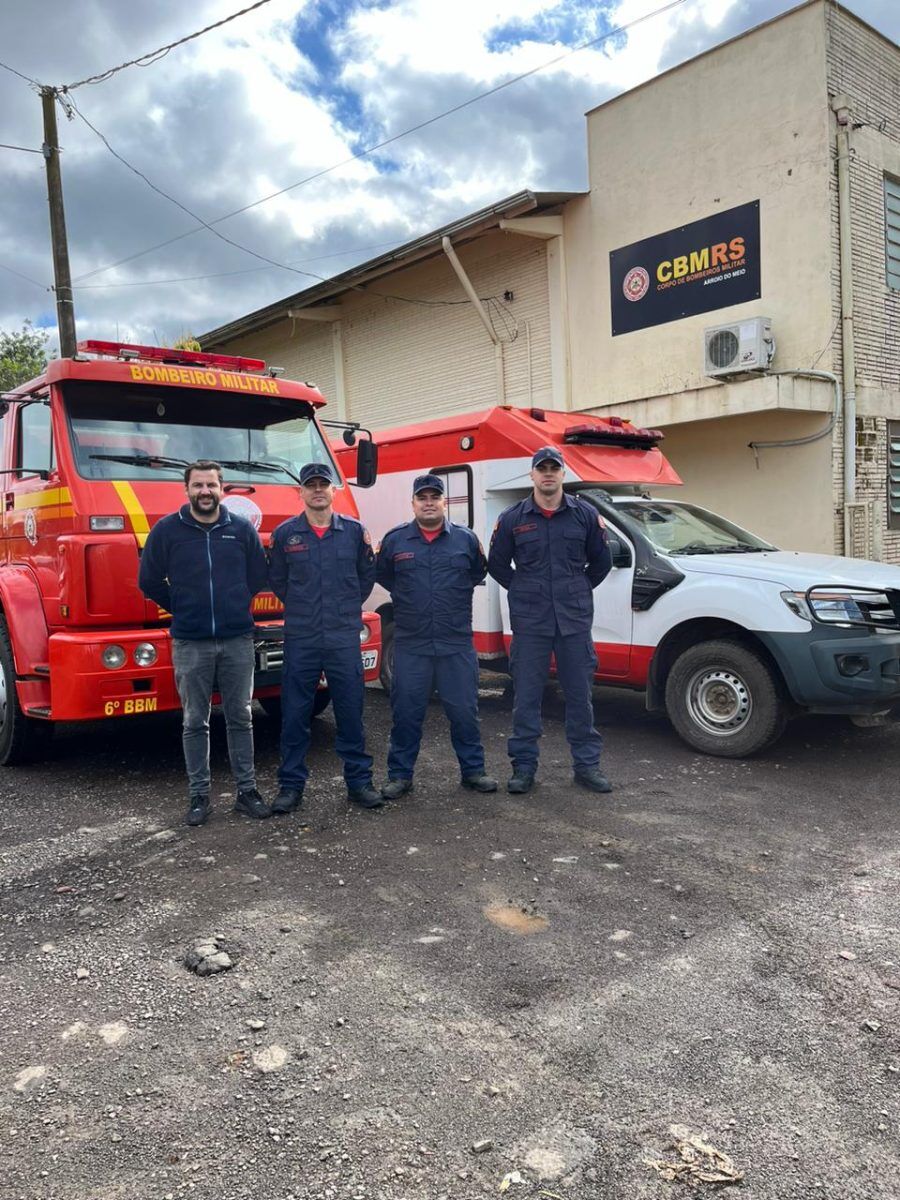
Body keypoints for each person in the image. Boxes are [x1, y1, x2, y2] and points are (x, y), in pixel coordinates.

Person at [138, 459, 271, 826]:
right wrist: (181, 606)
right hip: (191, 641)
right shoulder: (167, 531)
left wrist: (234, 603)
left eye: (211, 485)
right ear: (187, 489)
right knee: (195, 721)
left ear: (222, 488)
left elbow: (258, 574)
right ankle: (199, 797)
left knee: (241, 716)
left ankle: (247, 791)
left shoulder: (240, 529)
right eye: (198, 485)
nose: (205, 492)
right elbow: (148, 580)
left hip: (237, 639)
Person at [487, 446, 613, 795]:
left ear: (562, 473)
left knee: (579, 697)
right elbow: (497, 564)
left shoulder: (584, 515)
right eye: (541, 468)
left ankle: (587, 767)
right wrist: (524, 587)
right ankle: (524, 768)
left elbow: (601, 562)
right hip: (530, 624)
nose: (547, 474)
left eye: (553, 468)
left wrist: (579, 586)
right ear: (531, 474)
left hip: (573, 622)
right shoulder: (513, 518)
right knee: (526, 698)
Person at [268, 461, 382, 812]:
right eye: (311, 485)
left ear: (334, 490)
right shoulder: (286, 534)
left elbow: (366, 577)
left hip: (342, 637)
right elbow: (278, 581)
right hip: (301, 637)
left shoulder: (353, 531)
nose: (317, 490)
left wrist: (343, 608)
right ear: (300, 492)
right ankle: (291, 787)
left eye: (323, 484)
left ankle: (359, 783)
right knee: (295, 714)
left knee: (350, 711)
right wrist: (305, 609)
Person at [376, 474, 497, 800]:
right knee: (406, 713)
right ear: (413, 502)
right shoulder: (395, 541)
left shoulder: (466, 540)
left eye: (435, 496)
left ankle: (473, 772)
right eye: (422, 497)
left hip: (454, 642)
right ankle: (400, 776)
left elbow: (477, 572)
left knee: (463, 712)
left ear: (444, 502)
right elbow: (385, 575)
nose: (428, 502)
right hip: (412, 643)